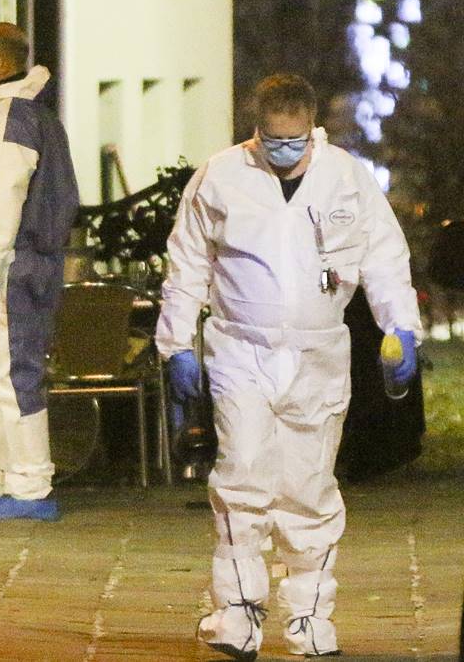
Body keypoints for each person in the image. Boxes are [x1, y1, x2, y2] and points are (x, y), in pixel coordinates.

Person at [157, 73, 421, 659]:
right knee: (242, 475)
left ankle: (308, 619)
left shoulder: (345, 180)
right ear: (257, 131)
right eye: (272, 140)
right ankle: (237, 616)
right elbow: (187, 263)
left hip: (318, 352)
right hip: (240, 349)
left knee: (308, 487)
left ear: (311, 131)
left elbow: (384, 257)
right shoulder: (222, 177)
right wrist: (176, 344)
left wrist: (401, 326)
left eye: (294, 141)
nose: (283, 152)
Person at [0, 23, 79, 521]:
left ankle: (28, 484)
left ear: (1, 64)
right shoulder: (27, 116)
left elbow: (3, 198)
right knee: (4, 375)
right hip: (23, 261)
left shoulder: (11, 118)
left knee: (11, 376)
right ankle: (15, 479)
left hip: (11, 264)